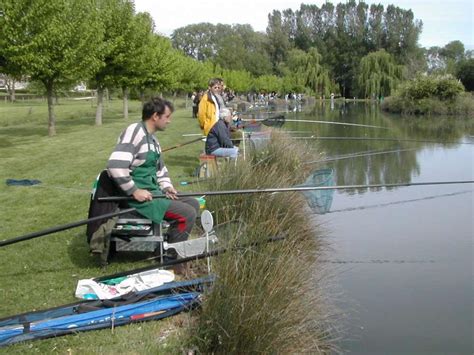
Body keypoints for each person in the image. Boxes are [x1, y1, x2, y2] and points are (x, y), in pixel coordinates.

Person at [107, 97, 200, 250]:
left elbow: (160, 170)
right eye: (167, 117)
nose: (169, 121)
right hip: (134, 198)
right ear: (155, 116)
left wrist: (166, 187)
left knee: (193, 203)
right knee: (187, 214)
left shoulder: (153, 140)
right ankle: (173, 257)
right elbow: (115, 165)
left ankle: (168, 244)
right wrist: (134, 191)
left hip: (153, 191)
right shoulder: (135, 131)